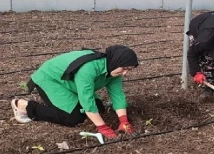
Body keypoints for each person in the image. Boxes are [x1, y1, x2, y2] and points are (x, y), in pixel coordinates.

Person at [10, 45, 139, 140]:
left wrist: (124, 121)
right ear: (116, 61)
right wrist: (103, 128)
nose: (125, 73)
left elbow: (117, 95)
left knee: (99, 108)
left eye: (129, 70)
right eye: (124, 68)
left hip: (71, 83)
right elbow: (87, 100)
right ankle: (23, 106)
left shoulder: (114, 70)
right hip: (50, 79)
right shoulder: (89, 68)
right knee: (73, 118)